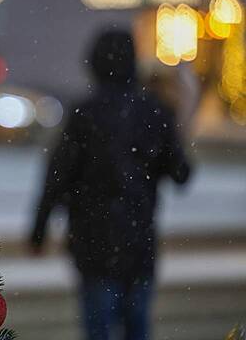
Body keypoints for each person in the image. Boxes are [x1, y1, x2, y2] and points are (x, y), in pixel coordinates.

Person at [30, 28, 191, 340]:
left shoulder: (85, 113)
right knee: (137, 327)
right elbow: (181, 174)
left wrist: (39, 228)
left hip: (93, 243)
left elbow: (58, 175)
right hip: (138, 240)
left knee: (98, 329)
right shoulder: (153, 111)